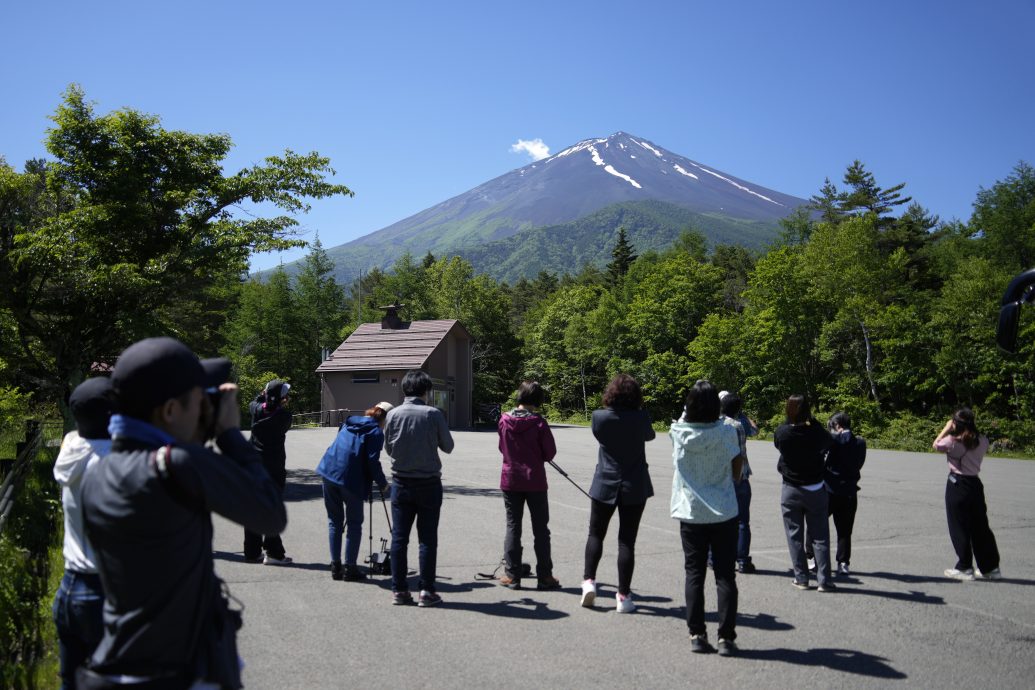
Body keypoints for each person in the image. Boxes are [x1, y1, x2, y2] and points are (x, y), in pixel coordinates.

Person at [80, 337, 286, 689]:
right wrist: (229, 434)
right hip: (178, 673)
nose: (204, 410)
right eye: (197, 402)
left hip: (115, 668)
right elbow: (270, 514)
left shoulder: (97, 473)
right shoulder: (176, 465)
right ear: (171, 411)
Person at [671, 380, 744, 656]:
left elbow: (681, 419)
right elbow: (737, 472)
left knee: (694, 573)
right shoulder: (727, 432)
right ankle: (726, 637)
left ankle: (697, 634)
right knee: (725, 576)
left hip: (691, 512)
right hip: (723, 510)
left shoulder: (679, 432)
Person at [52, 377, 114, 690]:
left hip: (70, 588)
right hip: (106, 592)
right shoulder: (115, 462)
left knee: (72, 683)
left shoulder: (71, 449)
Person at [582, 374, 656, 613]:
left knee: (595, 534)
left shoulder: (599, 417)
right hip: (634, 484)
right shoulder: (641, 418)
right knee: (627, 541)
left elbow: (601, 435)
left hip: (604, 482)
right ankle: (623, 596)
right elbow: (650, 436)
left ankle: (589, 582)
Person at [383, 370, 454, 607]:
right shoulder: (433, 414)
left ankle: (399, 590)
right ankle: (426, 590)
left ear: (404, 389)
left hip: (401, 482)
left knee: (399, 538)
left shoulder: (392, 414)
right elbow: (448, 446)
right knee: (427, 539)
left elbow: (389, 449)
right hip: (428, 483)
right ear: (426, 390)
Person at [315, 402, 392, 581]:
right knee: (354, 523)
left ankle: (335, 566)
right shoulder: (376, 432)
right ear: (385, 419)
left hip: (328, 472)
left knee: (334, 521)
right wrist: (383, 484)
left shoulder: (349, 423)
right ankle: (350, 568)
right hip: (351, 480)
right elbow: (373, 462)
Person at [497, 381, 560, 591]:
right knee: (541, 529)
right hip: (535, 481)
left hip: (511, 479)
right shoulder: (539, 423)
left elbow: (501, 448)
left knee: (513, 527)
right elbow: (549, 453)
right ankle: (545, 576)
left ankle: (512, 575)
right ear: (537, 400)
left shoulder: (504, 420)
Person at [774, 394, 836, 592]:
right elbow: (829, 441)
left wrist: (790, 420)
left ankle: (801, 578)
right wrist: (813, 420)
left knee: (794, 536)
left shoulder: (782, 433)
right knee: (820, 536)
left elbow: (779, 442)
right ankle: (824, 580)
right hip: (815, 488)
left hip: (791, 488)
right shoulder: (817, 433)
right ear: (808, 411)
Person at [933, 408, 1001, 581]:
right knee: (980, 526)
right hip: (975, 484)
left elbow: (936, 445)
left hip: (958, 484)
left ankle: (964, 566)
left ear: (955, 423)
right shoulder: (983, 440)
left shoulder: (952, 441)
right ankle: (990, 567)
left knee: (959, 526)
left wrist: (947, 428)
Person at [805, 412, 866, 576]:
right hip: (850, 491)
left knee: (815, 525)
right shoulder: (860, 442)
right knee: (845, 530)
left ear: (837, 425)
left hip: (829, 490)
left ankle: (812, 558)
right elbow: (858, 463)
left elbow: (819, 449)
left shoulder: (833, 440)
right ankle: (843, 562)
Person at [244, 379, 293, 565]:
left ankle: (251, 551)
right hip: (273, 468)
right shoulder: (284, 417)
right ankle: (273, 552)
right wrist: (273, 399)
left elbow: (256, 402)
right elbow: (275, 407)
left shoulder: (255, 409)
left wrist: (265, 394)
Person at [719, 392, 756, 574]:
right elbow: (742, 450)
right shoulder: (738, 425)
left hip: (721, 476)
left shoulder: (715, 425)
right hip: (740, 475)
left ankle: (713, 557)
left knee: (718, 519)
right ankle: (742, 560)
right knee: (742, 521)